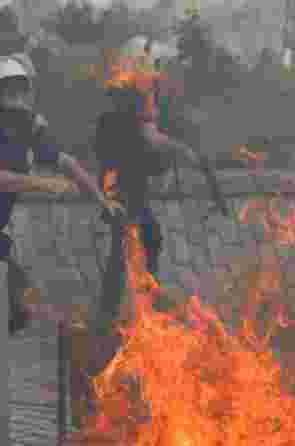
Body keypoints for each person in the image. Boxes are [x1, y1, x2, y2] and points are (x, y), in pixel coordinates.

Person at [0, 55, 122, 334]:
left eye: (21, 92)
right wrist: (41, 183)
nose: (18, 99)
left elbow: (67, 164)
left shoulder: (28, 129)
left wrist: (103, 201)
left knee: (20, 310)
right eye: (9, 92)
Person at [95, 35, 200, 280]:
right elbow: (149, 137)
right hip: (125, 179)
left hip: (116, 178)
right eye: (155, 64)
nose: (158, 72)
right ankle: (143, 300)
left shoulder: (119, 91)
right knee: (147, 238)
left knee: (126, 244)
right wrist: (183, 150)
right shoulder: (138, 93)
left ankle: (124, 307)